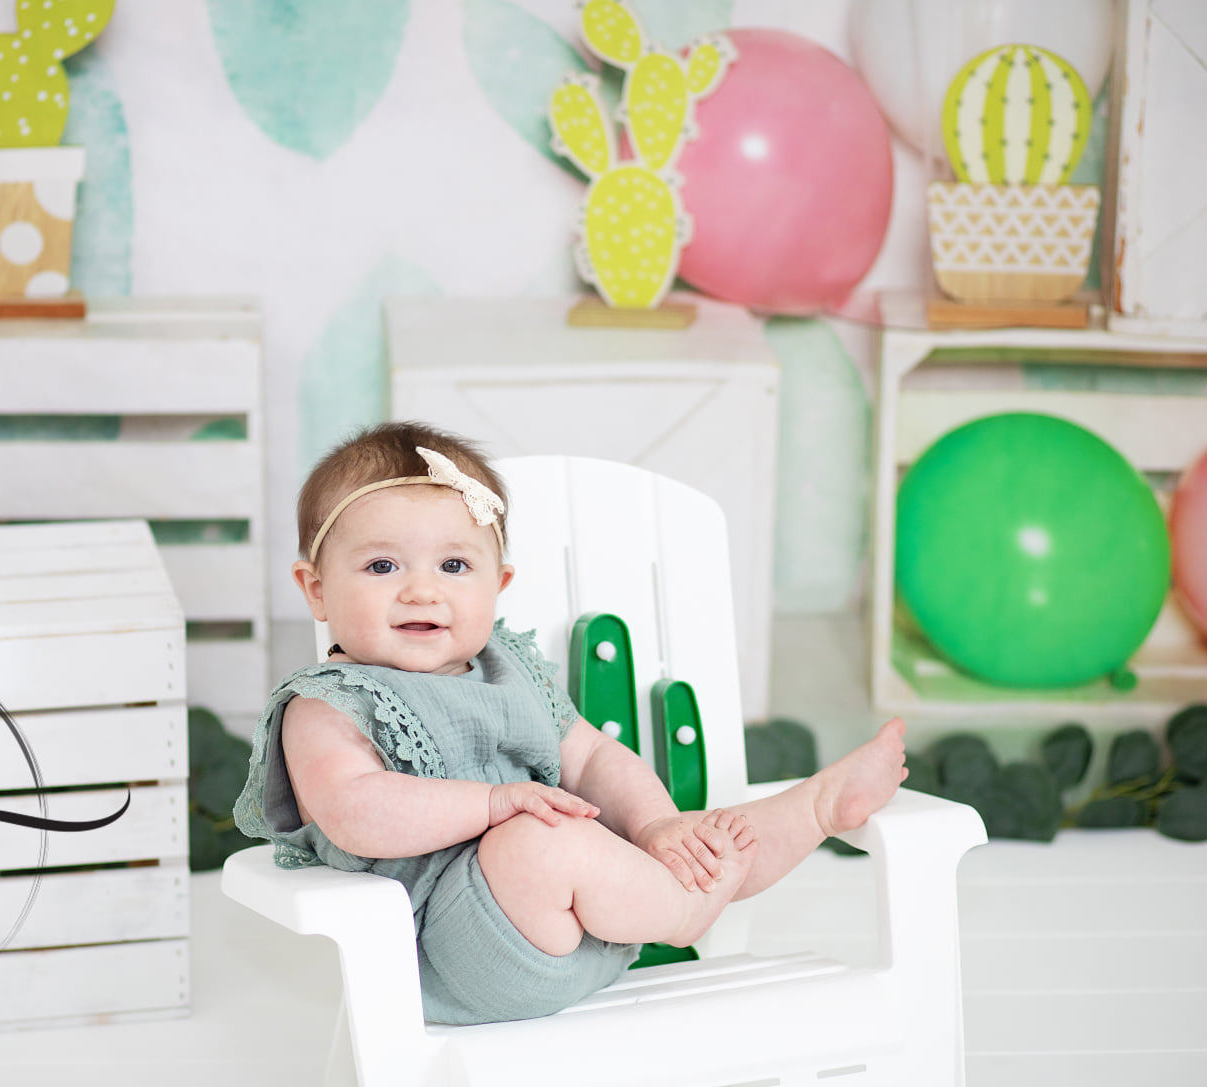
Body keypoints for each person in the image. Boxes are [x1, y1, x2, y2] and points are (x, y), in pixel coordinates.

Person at [233, 421, 908, 1025]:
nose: (422, 588)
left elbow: (590, 759)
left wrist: (655, 826)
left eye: (455, 564)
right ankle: (689, 908)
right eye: (383, 565)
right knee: (539, 841)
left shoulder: (509, 668)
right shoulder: (326, 705)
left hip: (585, 919)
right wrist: (497, 805)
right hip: (453, 952)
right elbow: (357, 812)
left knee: (698, 837)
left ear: (498, 585)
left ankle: (818, 809)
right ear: (316, 589)